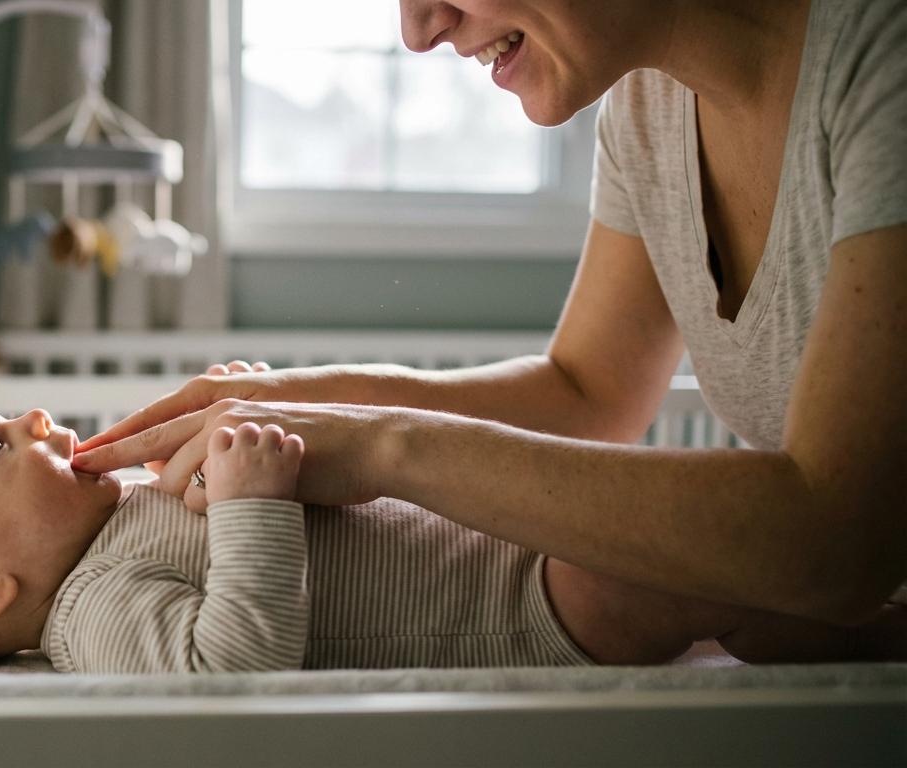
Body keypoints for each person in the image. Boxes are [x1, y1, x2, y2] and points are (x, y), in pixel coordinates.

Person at [70, 0, 907, 636]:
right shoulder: (647, 108)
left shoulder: (881, 54)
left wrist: (381, 446)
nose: (419, 30)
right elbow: (587, 392)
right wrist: (300, 402)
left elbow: (840, 539)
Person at [0, 396, 902, 673]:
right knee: (681, 575)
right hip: (512, 614)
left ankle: (843, 612)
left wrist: (242, 438)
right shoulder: (91, 622)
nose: (34, 420)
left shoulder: (114, 525)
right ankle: (868, 619)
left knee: (694, 535)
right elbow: (235, 668)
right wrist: (249, 504)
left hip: (496, 544)